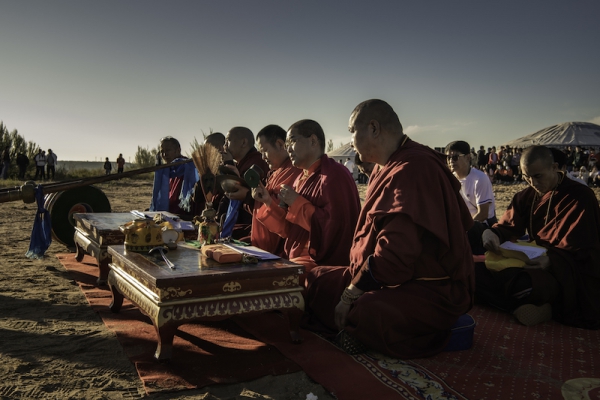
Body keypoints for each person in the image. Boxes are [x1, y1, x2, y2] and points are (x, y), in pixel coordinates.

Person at [304, 100, 474, 358]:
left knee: (368, 310)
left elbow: (396, 255)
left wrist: (351, 293)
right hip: (382, 277)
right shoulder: (388, 166)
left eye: (352, 131)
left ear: (373, 128)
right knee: (316, 279)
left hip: (428, 288)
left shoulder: (413, 168)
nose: (350, 141)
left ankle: (359, 332)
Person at [479, 145, 600, 329]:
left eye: (537, 176)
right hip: (532, 260)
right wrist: (491, 232)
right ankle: (534, 306)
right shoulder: (527, 195)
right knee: (473, 273)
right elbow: (508, 225)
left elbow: (586, 250)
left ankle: (548, 308)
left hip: (565, 272)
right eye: (526, 177)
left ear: (554, 167)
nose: (532, 182)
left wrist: (551, 261)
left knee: (523, 286)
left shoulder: (580, 196)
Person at [252, 119, 361, 273]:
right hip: (294, 255)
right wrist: (268, 202)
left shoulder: (334, 175)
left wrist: (296, 202)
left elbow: (335, 226)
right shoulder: (301, 179)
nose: (288, 148)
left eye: (293, 141)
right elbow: (289, 230)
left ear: (313, 140)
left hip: (318, 259)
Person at [250, 125, 302, 255]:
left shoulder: (295, 171)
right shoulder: (276, 172)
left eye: (265, 151)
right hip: (263, 247)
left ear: (280, 144)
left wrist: (267, 200)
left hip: (280, 250)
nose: (262, 157)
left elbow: (286, 220)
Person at [446, 140, 497, 255]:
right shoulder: (450, 179)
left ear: (468, 157)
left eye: (455, 157)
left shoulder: (479, 179)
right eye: (448, 157)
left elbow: (483, 214)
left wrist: (460, 229)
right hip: (463, 223)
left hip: (482, 225)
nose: (450, 161)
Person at [218, 127, 269, 240]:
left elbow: (245, 192)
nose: (225, 146)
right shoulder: (242, 163)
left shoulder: (257, 162)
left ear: (244, 142)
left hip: (251, 226)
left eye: (228, 140)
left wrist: (229, 164)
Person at [149, 136, 199, 218]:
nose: (165, 154)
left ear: (178, 150)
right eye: (162, 151)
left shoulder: (187, 167)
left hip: (183, 214)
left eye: (168, 150)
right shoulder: (167, 171)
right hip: (168, 211)